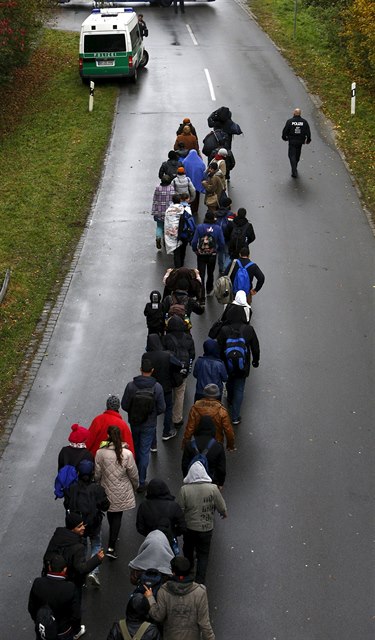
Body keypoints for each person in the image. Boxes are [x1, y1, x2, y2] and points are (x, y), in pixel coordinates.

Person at [43, 512, 104, 639]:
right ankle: (75, 631)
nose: (83, 527)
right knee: (74, 608)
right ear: (72, 528)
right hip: (71, 581)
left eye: (83, 524)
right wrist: (97, 559)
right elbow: (81, 569)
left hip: (52, 578)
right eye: (79, 526)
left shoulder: (57, 537)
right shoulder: (78, 547)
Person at [177, 462, 227, 584]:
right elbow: (221, 506)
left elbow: (180, 509)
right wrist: (223, 513)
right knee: (203, 555)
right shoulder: (213, 489)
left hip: (190, 528)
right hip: (206, 528)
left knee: (188, 551)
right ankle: (200, 582)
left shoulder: (184, 490)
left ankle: (188, 576)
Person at [121, 358, 166, 492]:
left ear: (140, 369)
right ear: (152, 371)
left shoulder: (131, 386)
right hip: (149, 424)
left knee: (135, 447)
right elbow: (162, 407)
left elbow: (124, 405)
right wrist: (151, 415)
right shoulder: (157, 387)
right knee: (144, 450)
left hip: (134, 422)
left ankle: (132, 474)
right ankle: (141, 481)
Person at [145, 556, 215, 639]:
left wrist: (150, 598)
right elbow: (204, 624)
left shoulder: (164, 591)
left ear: (173, 573)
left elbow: (158, 616)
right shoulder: (200, 592)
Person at [64, 459, 109, 588]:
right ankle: (94, 572)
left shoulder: (72, 488)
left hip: (78, 524)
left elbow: (67, 503)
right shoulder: (97, 489)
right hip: (94, 523)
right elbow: (105, 505)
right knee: (96, 544)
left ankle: (82, 571)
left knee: (81, 546)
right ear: (92, 473)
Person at [94, 426, 139, 559]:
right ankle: (111, 547)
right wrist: (135, 486)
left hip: (106, 489)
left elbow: (97, 474)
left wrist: (97, 483)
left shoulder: (100, 453)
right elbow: (133, 474)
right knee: (117, 516)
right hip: (121, 490)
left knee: (111, 512)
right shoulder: (127, 454)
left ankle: (111, 541)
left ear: (107, 435)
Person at [216, 305, 260, 425]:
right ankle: (235, 417)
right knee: (240, 388)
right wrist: (255, 361)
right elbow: (255, 347)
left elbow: (218, 348)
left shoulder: (224, 329)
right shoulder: (248, 329)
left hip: (227, 364)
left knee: (230, 382)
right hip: (243, 365)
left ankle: (230, 398)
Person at [28, 553, 80, 640]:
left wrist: (38, 620)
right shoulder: (70, 588)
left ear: (49, 567)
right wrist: (74, 629)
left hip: (43, 629)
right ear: (64, 570)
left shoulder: (38, 583)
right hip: (63, 631)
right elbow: (76, 615)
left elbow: (31, 607)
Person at [143, 333, 183, 443]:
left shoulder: (146, 356)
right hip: (166, 387)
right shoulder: (166, 355)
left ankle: (153, 442)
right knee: (168, 408)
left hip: (151, 388)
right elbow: (178, 365)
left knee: (152, 412)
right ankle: (167, 431)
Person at [163, 315, 195, 428]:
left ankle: (167, 414)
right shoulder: (188, 338)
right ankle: (177, 418)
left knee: (168, 393)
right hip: (182, 370)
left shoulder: (166, 338)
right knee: (179, 393)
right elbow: (192, 354)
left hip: (169, 370)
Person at [181, 384, 235, 451]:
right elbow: (228, 430)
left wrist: (185, 443)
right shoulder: (222, 411)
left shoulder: (195, 409)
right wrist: (230, 445)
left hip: (199, 442)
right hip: (217, 442)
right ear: (217, 395)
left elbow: (190, 428)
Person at [136, 478, 186, 545]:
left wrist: (149, 534)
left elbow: (140, 527)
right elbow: (182, 526)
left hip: (151, 542)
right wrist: (173, 533)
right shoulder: (174, 505)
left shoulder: (144, 505)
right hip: (169, 540)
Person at [181, 416, 226, 487]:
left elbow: (184, 465)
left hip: (193, 481)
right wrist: (220, 483)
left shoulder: (189, 445)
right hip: (211, 482)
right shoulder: (218, 446)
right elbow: (221, 468)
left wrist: (187, 479)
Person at [191, 210, 225, 303]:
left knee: (201, 274)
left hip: (201, 254)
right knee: (210, 272)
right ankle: (209, 289)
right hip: (212, 254)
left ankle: (201, 297)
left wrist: (195, 250)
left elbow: (194, 241)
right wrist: (216, 250)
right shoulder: (217, 228)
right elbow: (221, 242)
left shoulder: (200, 227)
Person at [282, 107, 311, 177]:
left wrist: (284, 137)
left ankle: (294, 170)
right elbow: (308, 131)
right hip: (300, 141)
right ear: (300, 114)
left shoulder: (290, 121)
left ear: (294, 113)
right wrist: (308, 139)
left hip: (292, 141)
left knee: (291, 155)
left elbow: (285, 130)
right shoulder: (304, 122)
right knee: (297, 155)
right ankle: (295, 167)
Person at [151, 174, 174, 250]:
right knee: (167, 227)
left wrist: (154, 210)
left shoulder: (158, 188)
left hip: (159, 211)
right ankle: (165, 241)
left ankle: (158, 237)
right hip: (169, 212)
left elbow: (155, 200)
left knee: (159, 226)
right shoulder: (171, 188)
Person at [182, 149, 206, 215]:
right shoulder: (200, 162)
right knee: (196, 197)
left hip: (188, 183)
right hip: (197, 183)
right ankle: (195, 210)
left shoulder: (185, 161)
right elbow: (203, 172)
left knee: (188, 196)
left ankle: (187, 209)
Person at [164, 193, 185, 265]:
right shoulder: (183, 209)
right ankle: (181, 265)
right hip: (181, 232)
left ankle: (177, 267)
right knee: (182, 250)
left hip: (171, 233)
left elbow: (167, 222)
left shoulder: (168, 210)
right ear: (180, 200)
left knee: (176, 251)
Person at [215, 196, 233, 274]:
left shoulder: (216, 213)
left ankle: (221, 268)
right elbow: (231, 225)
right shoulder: (230, 214)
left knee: (220, 252)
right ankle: (226, 268)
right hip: (227, 236)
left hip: (218, 236)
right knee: (228, 253)